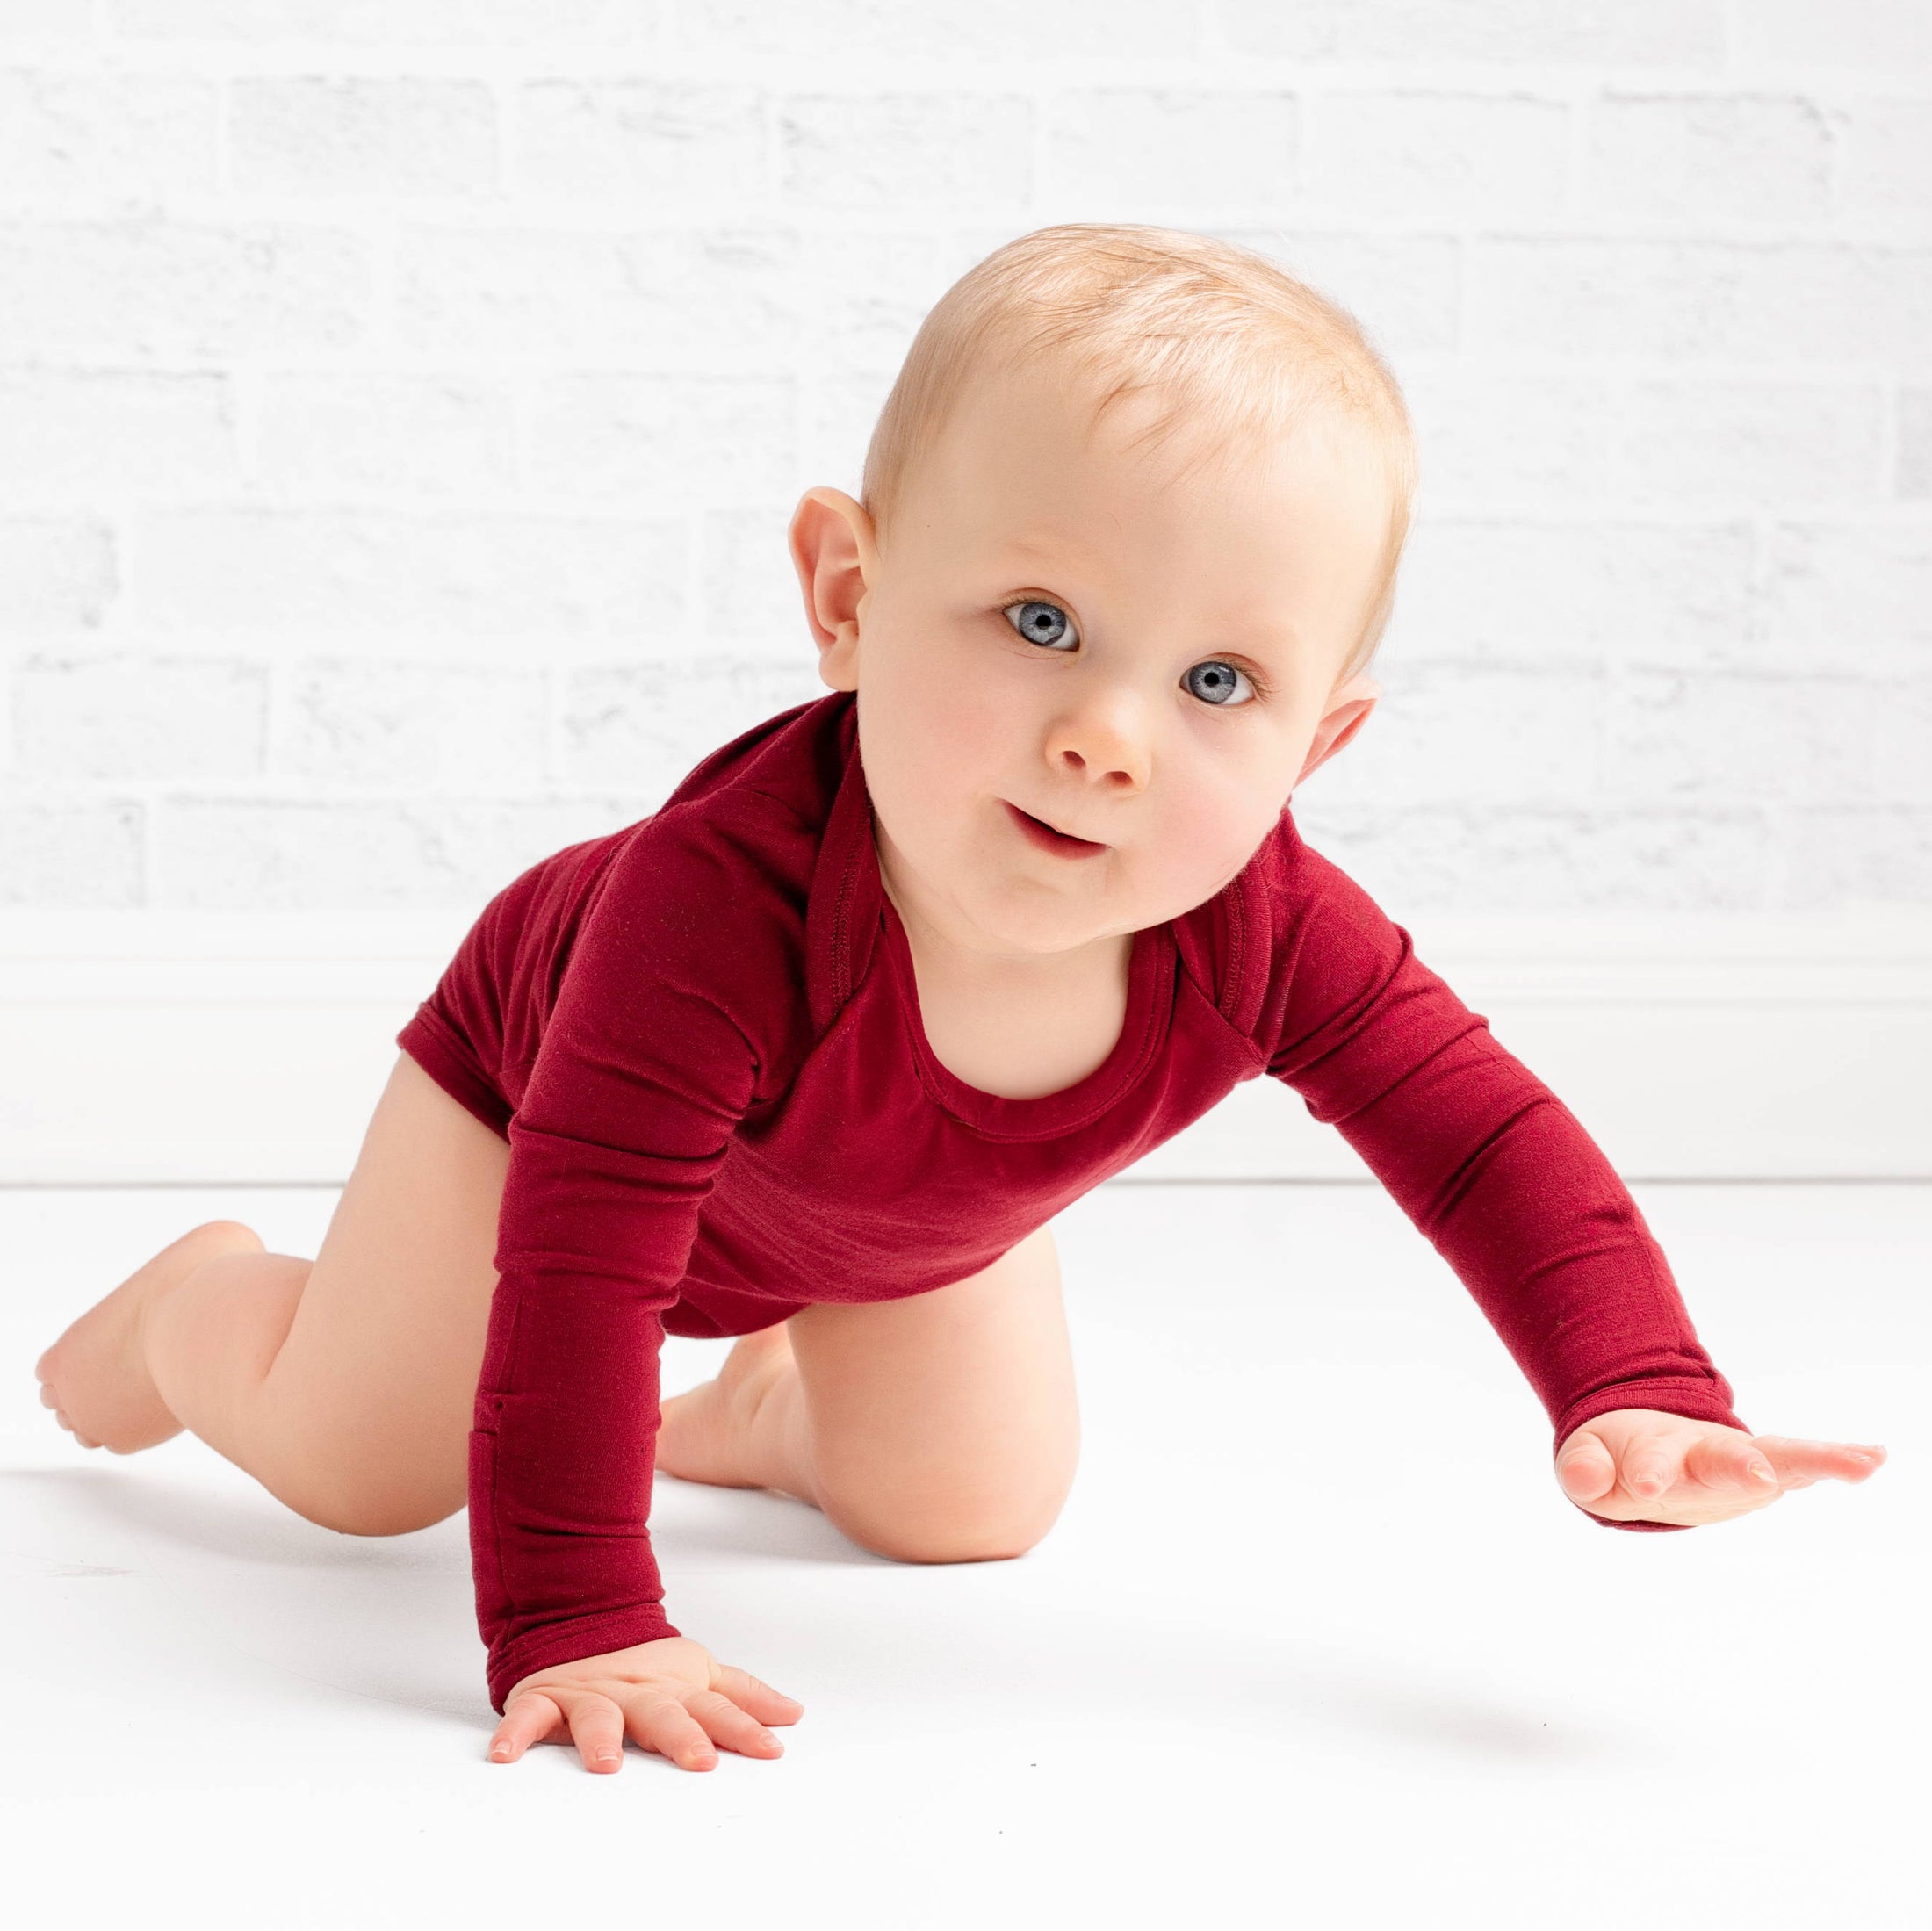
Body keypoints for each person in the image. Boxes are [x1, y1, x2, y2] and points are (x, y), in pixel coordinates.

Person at [34, 223, 1888, 1777]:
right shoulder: (706, 910)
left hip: (885, 1200)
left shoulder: (1258, 921)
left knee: (967, 1509)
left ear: (1316, 742)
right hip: (542, 1129)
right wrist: (585, 1611)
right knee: (369, 1466)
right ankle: (201, 1308)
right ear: (846, 592)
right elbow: (587, 1263)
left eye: (1218, 679)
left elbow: (1481, 1136)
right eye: (1039, 622)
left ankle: (768, 1409)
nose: (1103, 734)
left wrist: (1634, 1383)